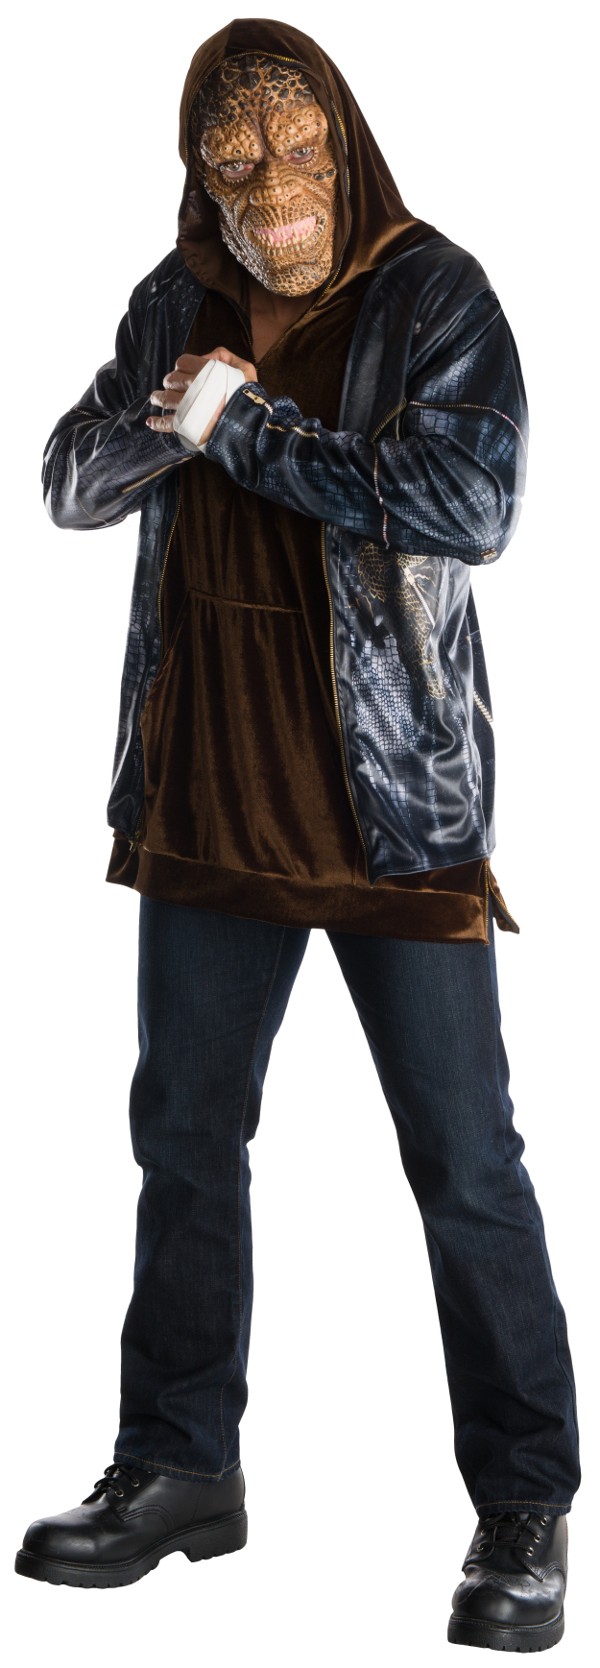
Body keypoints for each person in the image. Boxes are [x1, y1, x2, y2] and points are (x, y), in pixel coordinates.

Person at [15, 16, 580, 1650]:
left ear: (346, 140)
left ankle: (526, 1504)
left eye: (298, 148)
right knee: (183, 1146)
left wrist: (246, 428)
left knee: (466, 1165)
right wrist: (175, 412)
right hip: (206, 802)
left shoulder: (436, 294)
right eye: (236, 160)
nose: (273, 188)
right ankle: (181, 1466)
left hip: (396, 813)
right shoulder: (174, 301)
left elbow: (473, 505)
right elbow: (68, 479)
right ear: (200, 174)